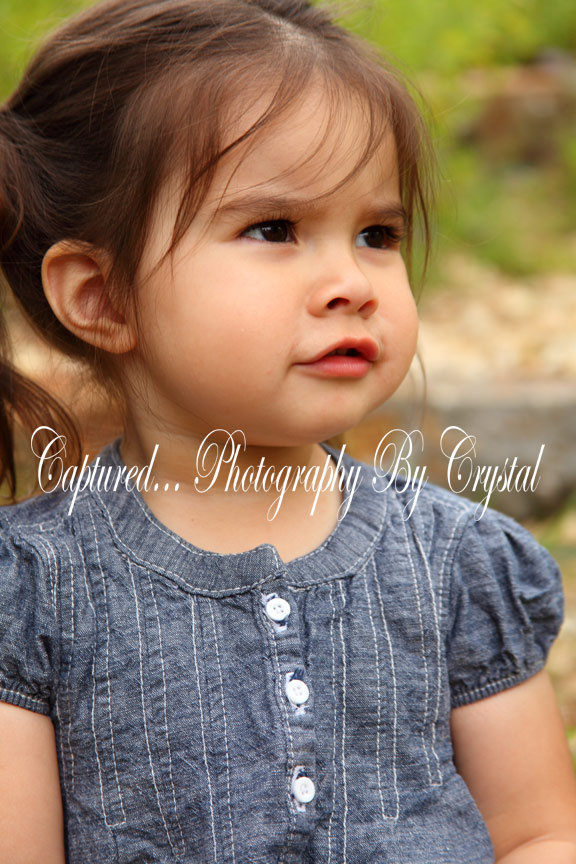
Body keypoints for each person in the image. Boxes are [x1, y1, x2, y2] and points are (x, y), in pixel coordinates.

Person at [0, 0, 575, 861]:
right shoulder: (33, 591)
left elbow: (539, 832)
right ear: (101, 298)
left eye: (377, 233)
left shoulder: (456, 562)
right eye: (274, 229)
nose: (353, 283)